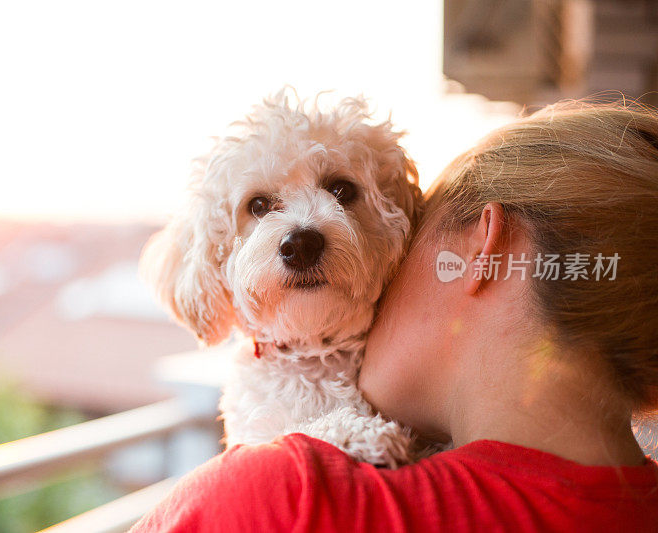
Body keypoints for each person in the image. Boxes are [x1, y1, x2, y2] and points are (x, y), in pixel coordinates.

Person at [130, 100, 658, 532]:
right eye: (260, 205)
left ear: (483, 250)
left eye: (341, 191)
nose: (301, 231)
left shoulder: (281, 497)